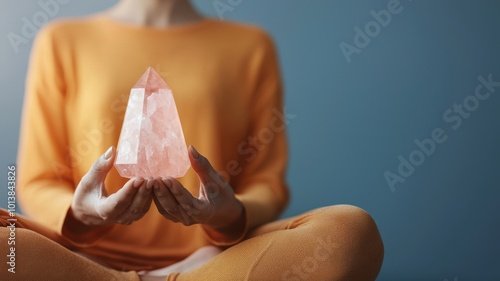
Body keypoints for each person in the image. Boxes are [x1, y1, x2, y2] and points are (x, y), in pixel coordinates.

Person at [0, 0, 384, 280]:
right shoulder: (63, 39)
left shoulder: (250, 45)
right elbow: (35, 180)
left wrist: (226, 212)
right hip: (80, 257)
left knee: (349, 231)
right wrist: (83, 213)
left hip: (213, 260)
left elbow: (266, 183)